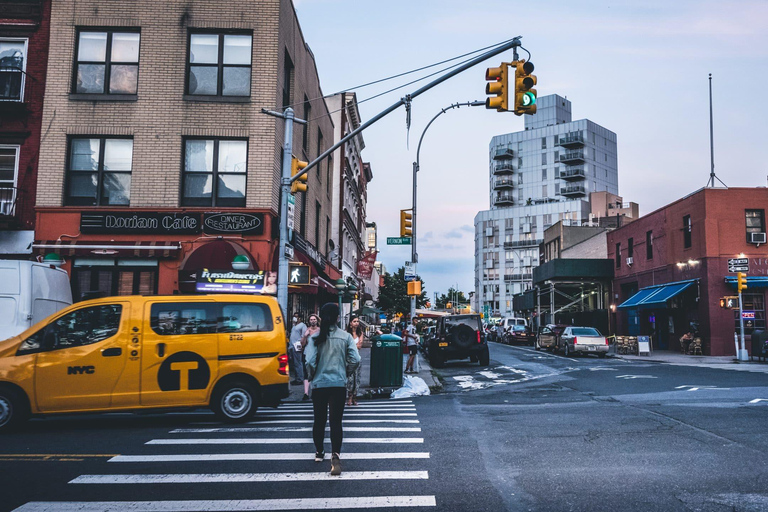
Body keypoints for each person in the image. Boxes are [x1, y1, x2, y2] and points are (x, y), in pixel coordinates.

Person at [304, 302, 360, 476]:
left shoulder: (315, 337)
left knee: (319, 420)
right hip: (338, 384)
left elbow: (309, 361)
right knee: (336, 421)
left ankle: (319, 452)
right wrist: (345, 372)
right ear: (337, 318)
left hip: (320, 384)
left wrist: (312, 376)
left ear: (321, 317)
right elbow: (356, 359)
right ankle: (335, 455)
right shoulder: (345, 337)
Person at [299, 314, 320, 400]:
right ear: (309, 321)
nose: (313, 321)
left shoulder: (320, 330)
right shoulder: (307, 330)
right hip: (307, 353)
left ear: (317, 320)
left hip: (317, 354)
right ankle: (306, 393)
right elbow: (302, 344)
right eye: (311, 319)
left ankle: (314, 391)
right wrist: (305, 336)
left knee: (316, 372)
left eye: (314, 319)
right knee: (306, 373)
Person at [345, 315, 365, 406]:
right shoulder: (346, 333)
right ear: (350, 323)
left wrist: (351, 346)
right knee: (350, 379)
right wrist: (353, 346)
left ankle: (354, 397)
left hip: (357, 358)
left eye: (357, 321)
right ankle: (349, 397)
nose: (356, 323)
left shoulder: (360, 333)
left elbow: (359, 346)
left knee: (357, 378)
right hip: (348, 359)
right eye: (354, 321)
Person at [288, 313, 307, 386]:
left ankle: (300, 379)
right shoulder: (294, 326)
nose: (294, 318)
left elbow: (304, 336)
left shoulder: (302, 325)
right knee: (294, 363)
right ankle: (297, 378)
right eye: (294, 316)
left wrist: (302, 345)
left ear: (300, 318)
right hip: (292, 345)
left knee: (298, 362)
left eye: (296, 316)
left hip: (297, 345)